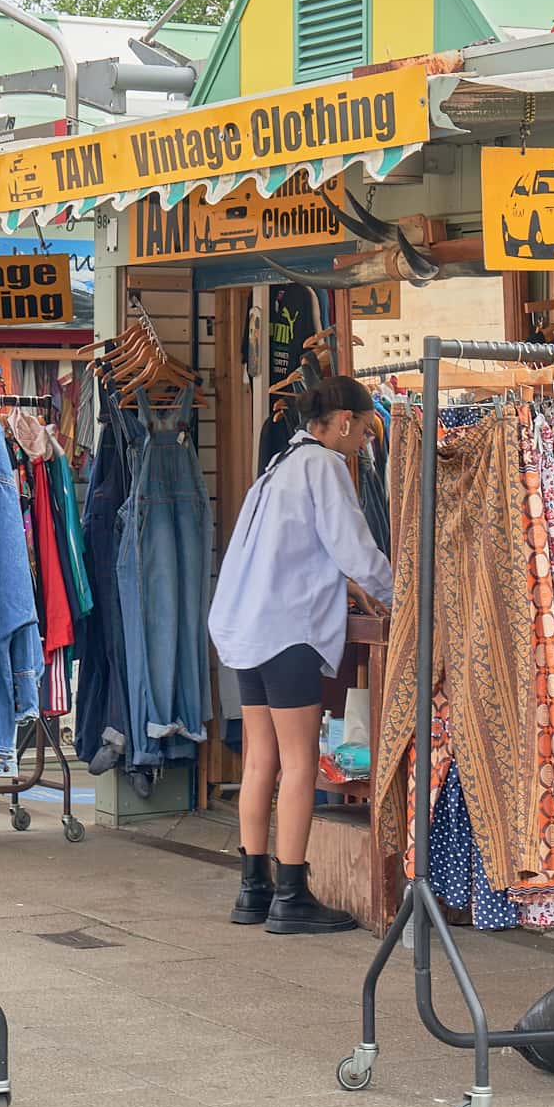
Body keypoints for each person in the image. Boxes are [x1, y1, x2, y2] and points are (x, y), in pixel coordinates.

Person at [208, 376, 393, 934]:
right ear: (341, 421)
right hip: (286, 632)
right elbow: (354, 547)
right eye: (363, 430)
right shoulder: (324, 467)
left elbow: (287, 552)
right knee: (299, 763)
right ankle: (292, 895)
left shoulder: (277, 468)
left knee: (260, 760)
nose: (364, 441)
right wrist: (400, 592)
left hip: (245, 629)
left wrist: (344, 583)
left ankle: (252, 889)